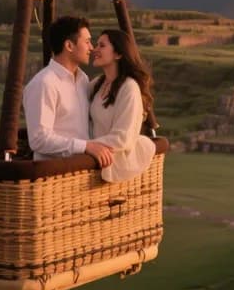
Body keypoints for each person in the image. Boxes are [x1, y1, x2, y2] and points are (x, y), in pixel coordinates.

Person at [22, 16, 113, 167]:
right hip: (53, 176)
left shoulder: (82, 79)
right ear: (69, 46)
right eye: (87, 42)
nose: (91, 48)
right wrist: (85, 146)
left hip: (80, 171)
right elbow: (39, 140)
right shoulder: (44, 83)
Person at [88, 29, 157, 183]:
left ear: (118, 54)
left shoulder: (129, 88)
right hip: (96, 160)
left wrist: (85, 146)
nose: (95, 49)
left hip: (115, 163)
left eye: (102, 46)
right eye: (96, 44)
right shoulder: (98, 84)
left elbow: (123, 138)